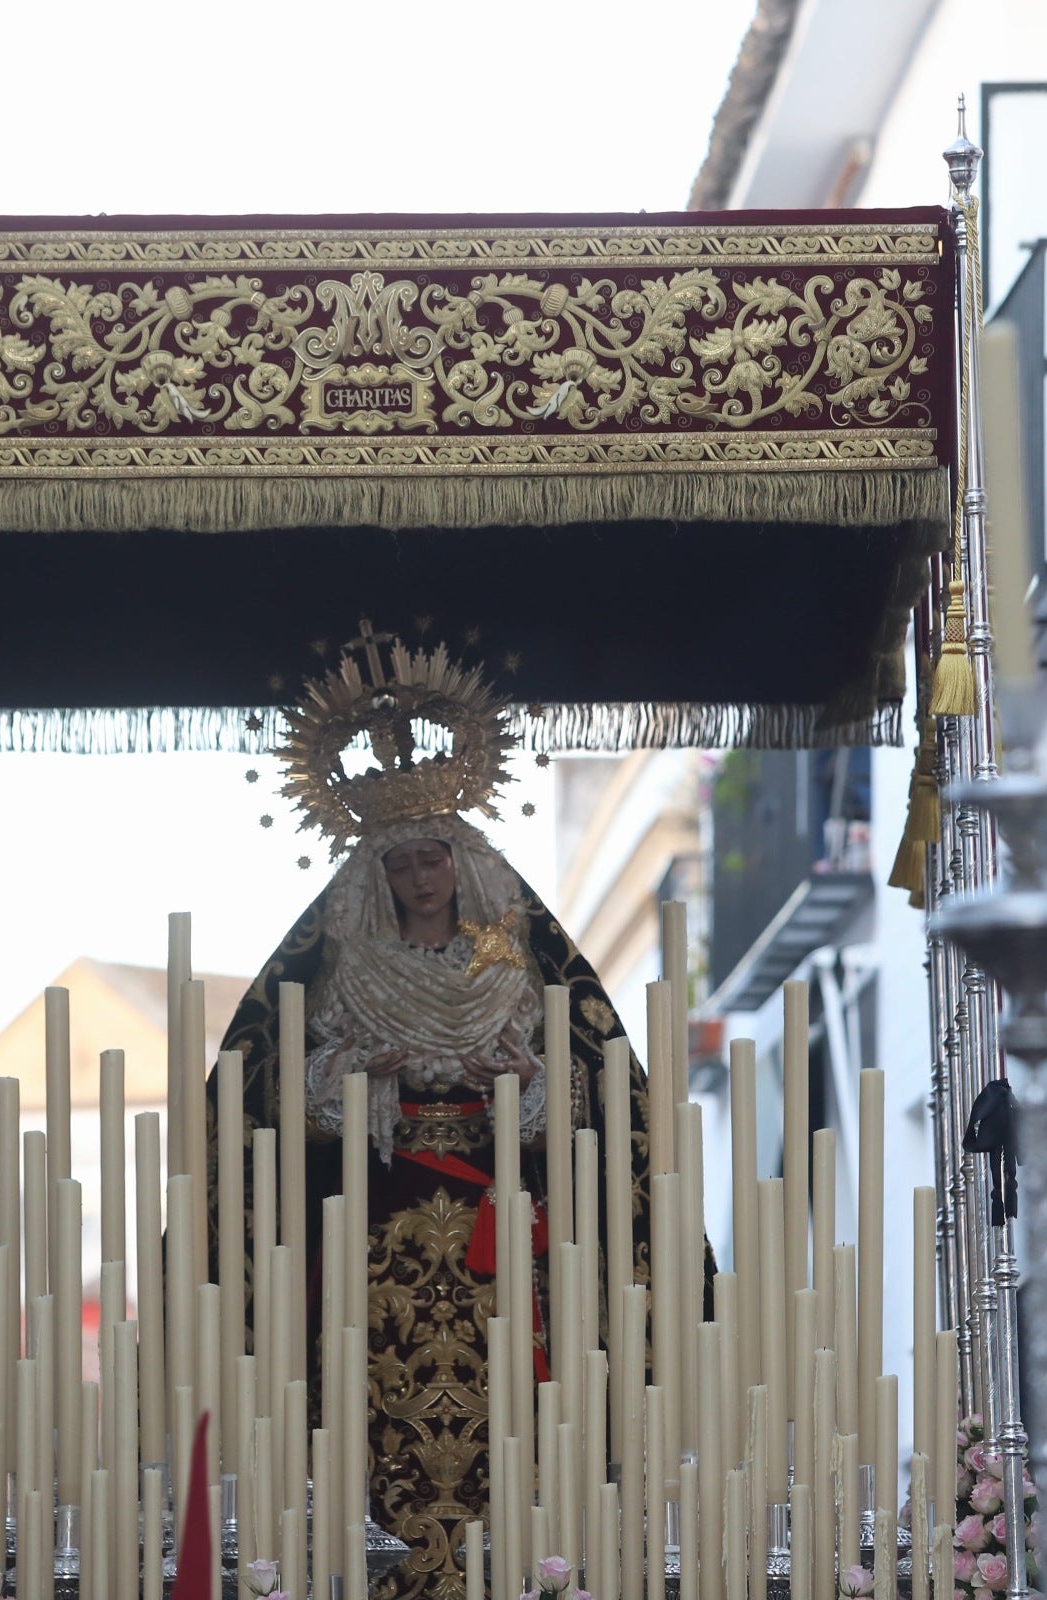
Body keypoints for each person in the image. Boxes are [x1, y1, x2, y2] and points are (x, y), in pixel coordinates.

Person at [204, 634, 688, 1600]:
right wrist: (354, 1075)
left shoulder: (511, 971)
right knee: (369, 1409)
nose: (423, 881)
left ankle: (520, 1566)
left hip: (500, 1238)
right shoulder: (344, 973)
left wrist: (525, 1083)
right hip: (376, 1238)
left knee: (511, 1410)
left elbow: (592, 1099)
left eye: (434, 861)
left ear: (460, 864)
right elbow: (275, 1097)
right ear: (378, 877)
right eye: (404, 867)